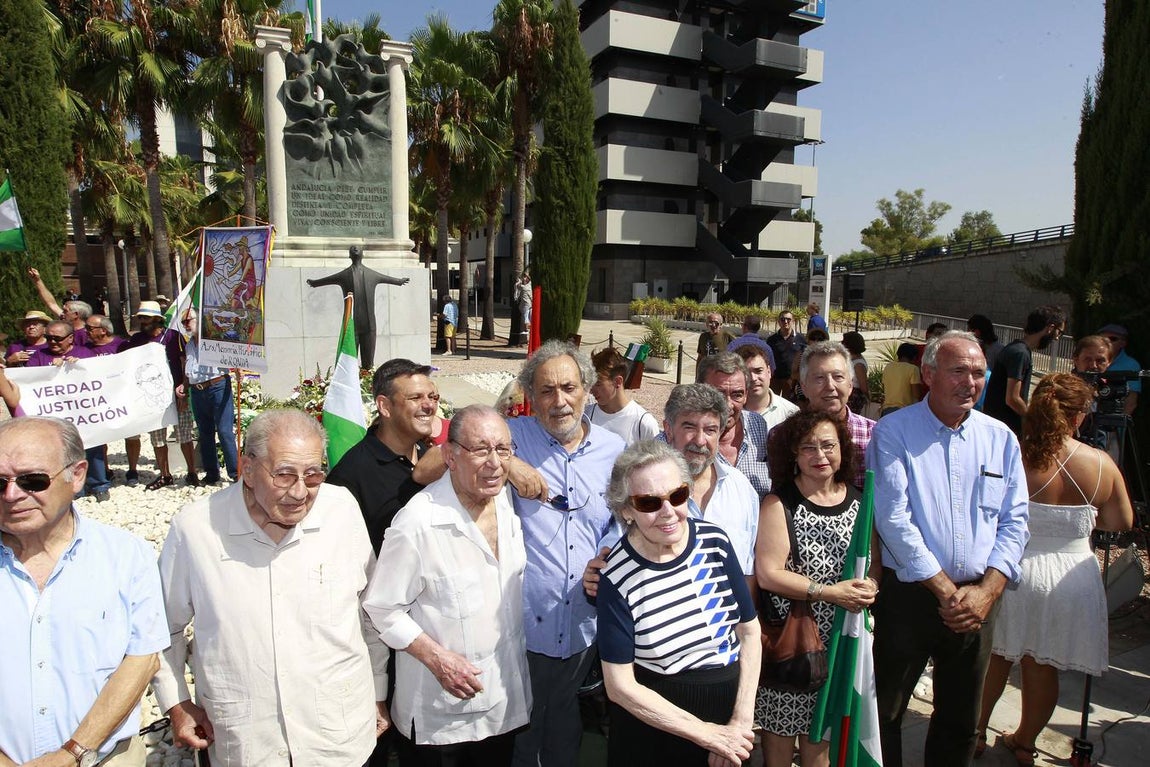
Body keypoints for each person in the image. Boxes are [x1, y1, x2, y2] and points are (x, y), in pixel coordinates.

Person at [153, 409, 390, 765]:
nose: (300, 492)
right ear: (247, 469)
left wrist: (378, 690)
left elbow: (370, 612)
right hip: (247, 742)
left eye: (313, 475)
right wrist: (177, 703)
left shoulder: (341, 510)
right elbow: (159, 628)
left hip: (339, 740)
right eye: (283, 475)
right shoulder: (196, 529)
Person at [868, 331, 1029, 767]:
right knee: (886, 712)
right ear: (929, 374)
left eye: (979, 373)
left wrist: (987, 592)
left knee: (961, 719)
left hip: (979, 601)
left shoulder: (1001, 439)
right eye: (959, 371)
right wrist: (945, 591)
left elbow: (1015, 523)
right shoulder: (894, 433)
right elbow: (893, 519)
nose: (971, 382)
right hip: (912, 599)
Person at [976, 374, 1134, 765]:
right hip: (1070, 576)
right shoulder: (1100, 463)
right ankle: (1026, 741)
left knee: (996, 657)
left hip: (1014, 569)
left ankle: (975, 733)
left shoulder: (1013, 453)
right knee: (1042, 663)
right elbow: (1120, 521)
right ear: (1079, 416)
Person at [363, 406, 531, 764]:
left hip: (503, 702)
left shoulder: (504, 500)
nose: (495, 463)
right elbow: (381, 608)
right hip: (442, 719)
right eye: (480, 449)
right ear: (450, 456)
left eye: (503, 450)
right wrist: (437, 659)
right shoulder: (417, 523)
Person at [0, 417, 168, 766]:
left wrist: (72, 753)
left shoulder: (126, 556)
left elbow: (141, 660)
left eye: (32, 481)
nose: (12, 495)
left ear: (76, 475)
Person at [598, 440, 761, 767]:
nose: (668, 511)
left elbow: (749, 633)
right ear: (626, 510)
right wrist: (708, 735)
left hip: (729, 718)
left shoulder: (715, 542)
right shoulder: (616, 575)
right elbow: (619, 686)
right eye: (648, 502)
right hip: (656, 732)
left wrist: (739, 724)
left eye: (677, 495)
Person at [507, 340, 626, 767]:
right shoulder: (511, 438)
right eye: (546, 391)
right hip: (523, 625)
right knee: (521, 734)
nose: (559, 401)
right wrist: (509, 464)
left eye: (568, 388)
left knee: (564, 730)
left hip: (582, 625)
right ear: (530, 397)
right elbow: (450, 444)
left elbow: (621, 519)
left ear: (587, 390)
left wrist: (609, 551)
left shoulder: (614, 451)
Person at [755, 410, 879, 767]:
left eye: (828, 445)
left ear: (843, 450)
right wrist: (829, 592)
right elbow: (769, 574)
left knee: (821, 752)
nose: (820, 455)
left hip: (841, 645)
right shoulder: (779, 504)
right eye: (808, 447)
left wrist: (869, 587)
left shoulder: (860, 500)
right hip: (792, 649)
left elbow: (873, 565)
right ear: (793, 453)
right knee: (777, 753)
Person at [306, 245, 411, 367]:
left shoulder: (372, 274)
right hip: (351, 325)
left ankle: (367, 383)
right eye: (352, 248)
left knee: (368, 362)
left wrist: (399, 281)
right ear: (349, 255)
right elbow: (328, 279)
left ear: (363, 254)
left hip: (369, 325)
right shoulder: (344, 275)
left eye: (358, 248)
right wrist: (314, 283)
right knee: (349, 362)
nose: (355, 248)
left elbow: (387, 278)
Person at [121, 301, 189, 488]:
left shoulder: (173, 337)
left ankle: (192, 473)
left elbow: (184, 362)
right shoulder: (136, 340)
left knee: (184, 434)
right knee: (158, 437)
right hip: (153, 396)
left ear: (157, 319)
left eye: (145, 318)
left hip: (177, 393)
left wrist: (185, 385)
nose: (142, 321)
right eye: (140, 318)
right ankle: (165, 474)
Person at [798, 342, 874, 490]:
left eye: (838, 377)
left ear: (851, 385)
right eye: (819, 378)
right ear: (804, 387)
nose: (830, 386)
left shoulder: (874, 434)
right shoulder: (783, 436)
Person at [697, 352, 772, 500]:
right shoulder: (677, 437)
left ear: (746, 395)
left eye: (737, 395)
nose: (728, 405)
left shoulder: (757, 425)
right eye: (718, 394)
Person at [982, 305, 1066, 436]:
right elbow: (1012, 398)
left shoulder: (1017, 349)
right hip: (1004, 429)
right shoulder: (1020, 353)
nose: (1056, 338)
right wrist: (1033, 418)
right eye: (1059, 332)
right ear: (1050, 328)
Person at [586, 347, 661, 445]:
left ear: (618, 381)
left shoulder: (644, 423)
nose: (591, 390)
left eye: (598, 384)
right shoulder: (586, 415)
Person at [734, 343, 798, 429]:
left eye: (758, 371)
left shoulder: (791, 413)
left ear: (769, 371)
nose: (753, 378)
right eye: (746, 373)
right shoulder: (730, 413)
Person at [1097, 323, 1141, 415]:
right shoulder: (1091, 360)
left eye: (1113, 339)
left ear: (1123, 343)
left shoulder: (1131, 365)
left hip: (1112, 421)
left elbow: (1131, 402)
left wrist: (1118, 427)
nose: (1106, 342)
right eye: (1102, 339)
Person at [766, 310, 807, 398]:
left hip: (792, 380)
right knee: (773, 404)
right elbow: (767, 358)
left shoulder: (801, 339)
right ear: (778, 322)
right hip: (775, 379)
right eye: (782, 319)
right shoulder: (771, 340)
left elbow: (804, 359)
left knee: (790, 406)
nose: (785, 321)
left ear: (793, 321)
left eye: (788, 319)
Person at [880, 342, 923, 416]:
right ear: (914, 357)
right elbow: (916, 394)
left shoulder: (888, 367)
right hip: (904, 411)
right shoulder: (913, 369)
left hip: (886, 410)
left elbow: (885, 388)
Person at [841, 331, 870, 414]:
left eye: (844, 341)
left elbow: (863, 386)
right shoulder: (852, 359)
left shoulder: (858, 364)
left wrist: (868, 397)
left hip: (854, 397)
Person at [514, 272, 533, 345]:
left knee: (525, 319)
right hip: (527, 305)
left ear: (528, 279)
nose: (524, 278)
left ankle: (526, 331)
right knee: (527, 318)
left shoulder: (525, 287)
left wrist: (518, 281)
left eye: (525, 277)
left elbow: (517, 286)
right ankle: (527, 332)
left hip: (526, 305)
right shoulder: (528, 286)